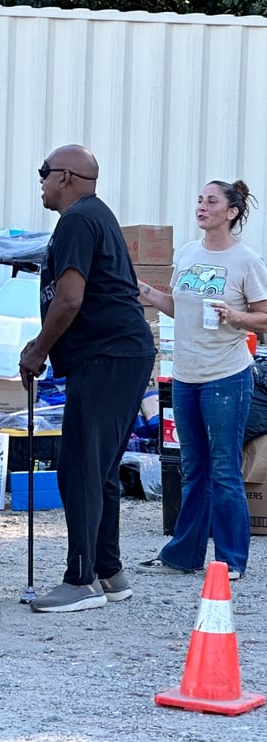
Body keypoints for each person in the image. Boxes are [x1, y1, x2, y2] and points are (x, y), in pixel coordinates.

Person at [19, 144, 155, 613]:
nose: (40, 181)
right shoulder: (93, 216)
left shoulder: (79, 219)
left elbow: (71, 299)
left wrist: (39, 349)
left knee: (77, 467)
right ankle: (108, 570)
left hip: (108, 354)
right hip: (120, 354)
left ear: (66, 177)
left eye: (44, 172)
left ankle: (80, 581)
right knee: (99, 469)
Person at [137, 180, 267, 581]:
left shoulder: (247, 260)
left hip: (226, 376)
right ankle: (184, 554)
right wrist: (142, 290)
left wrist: (236, 317)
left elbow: (264, 318)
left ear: (231, 212)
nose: (202, 206)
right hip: (186, 376)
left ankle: (231, 560)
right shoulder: (188, 253)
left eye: (211, 201)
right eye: (199, 200)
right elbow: (179, 306)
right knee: (193, 468)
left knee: (224, 468)